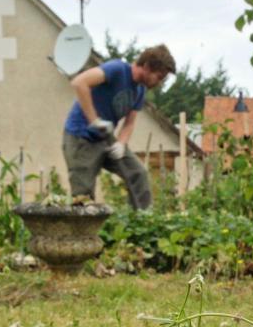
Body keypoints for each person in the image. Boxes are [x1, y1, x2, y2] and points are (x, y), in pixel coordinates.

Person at [62, 44, 176, 210]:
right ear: (146, 66)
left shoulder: (139, 91)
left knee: (138, 173)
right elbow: (80, 83)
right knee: (83, 198)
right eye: (159, 77)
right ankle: (83, 227)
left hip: (105, 138)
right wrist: (94, 120)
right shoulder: (117, 70)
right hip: (81, 137)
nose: (159, 83)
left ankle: (143, 220)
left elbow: (129, 123)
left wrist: (121, 143)